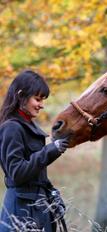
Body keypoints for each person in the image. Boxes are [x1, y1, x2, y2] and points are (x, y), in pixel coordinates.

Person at [0, 70, 69, 231]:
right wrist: (51, 150)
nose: (41, 105)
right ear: (20, 95)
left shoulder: (28, 126)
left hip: (37, 208)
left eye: (42, 100)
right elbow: (17, 173)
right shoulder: (11, 128)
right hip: (21, 212)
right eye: (37, 99)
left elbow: (35, 173)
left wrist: (51, 194)